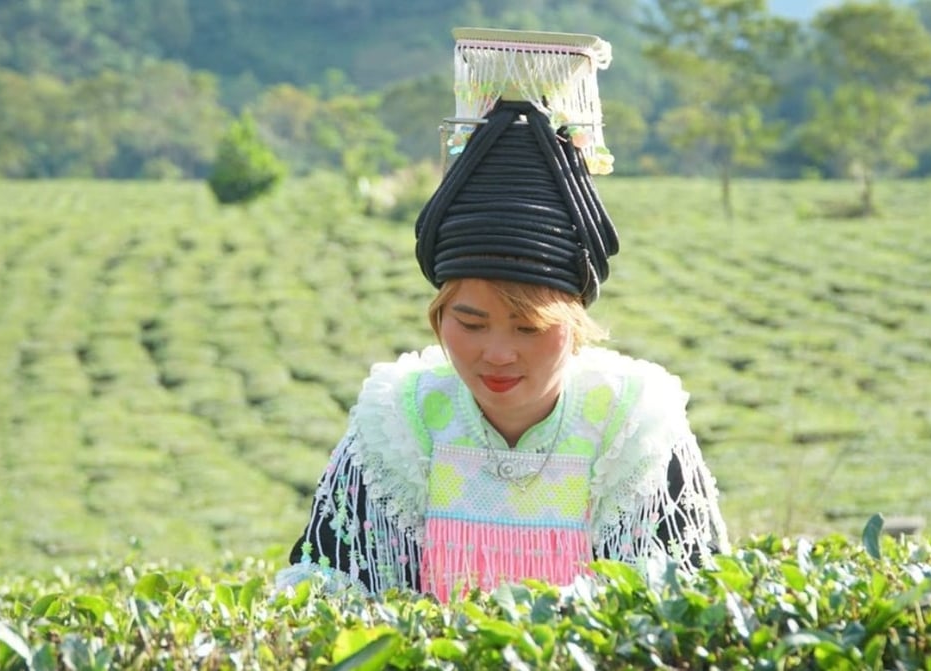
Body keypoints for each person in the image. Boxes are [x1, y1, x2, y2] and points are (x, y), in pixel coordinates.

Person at [275, 34, 728, 601]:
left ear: (575, 321)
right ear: (438, 316)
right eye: (469, 322)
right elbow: (332, 586)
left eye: (528, 327)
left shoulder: (629, 429)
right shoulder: (401, 425)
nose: (496, 353)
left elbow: (679, 604)